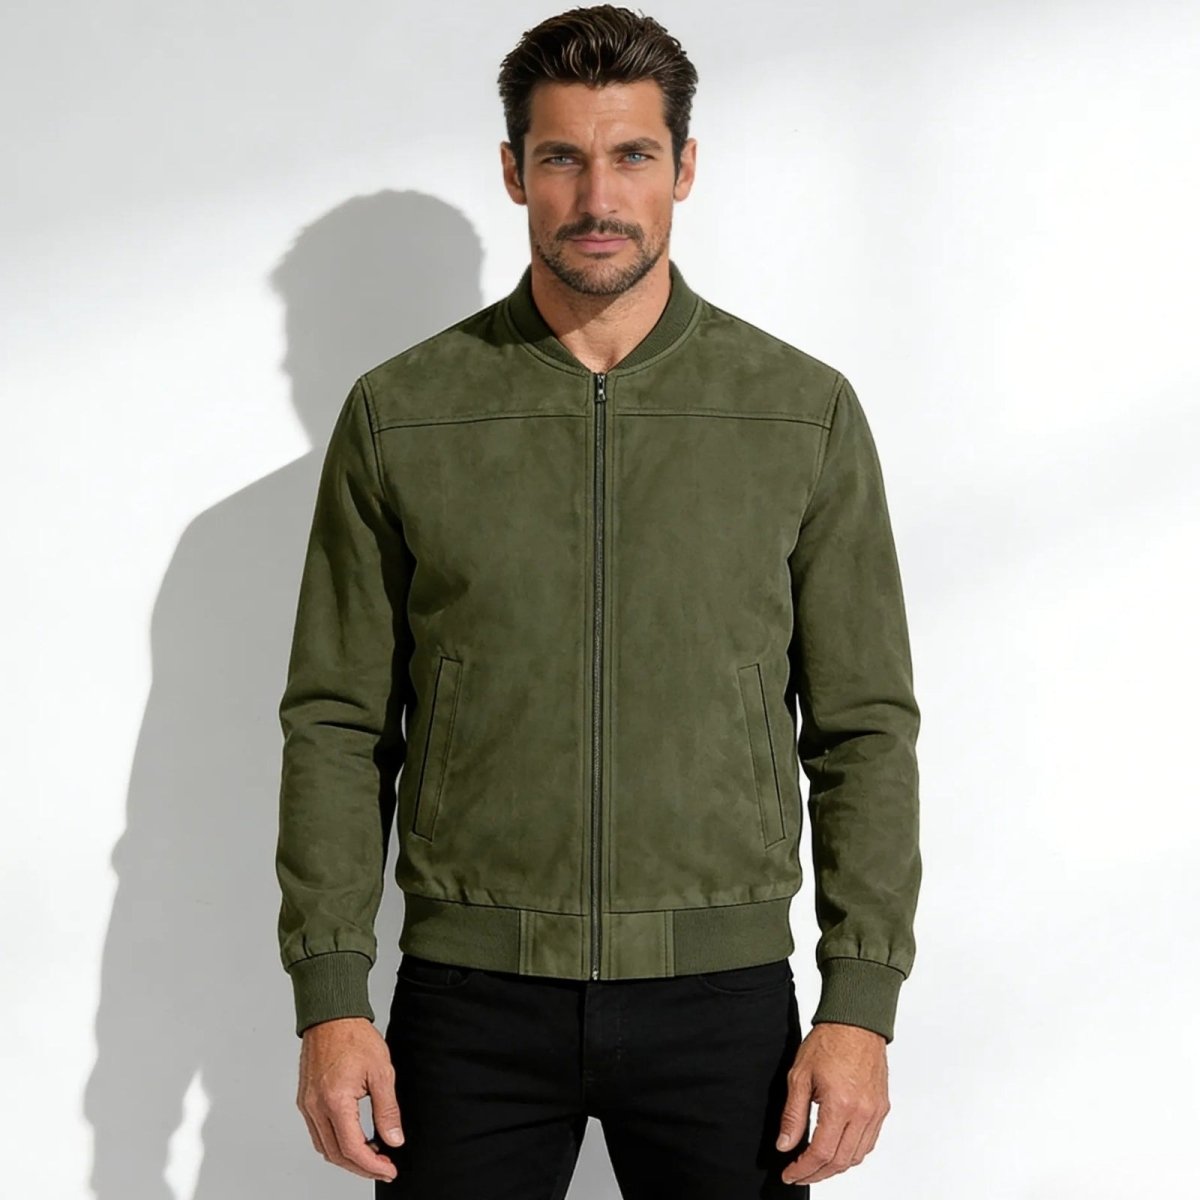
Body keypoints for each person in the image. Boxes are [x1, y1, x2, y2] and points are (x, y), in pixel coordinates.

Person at [274, 5, 921, 1197]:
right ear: (513, 170)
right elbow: (337, 724)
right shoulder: (403, 414)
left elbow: (862, 728)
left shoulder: (799, 412)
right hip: (469, 1003)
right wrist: (329, 994)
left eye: (632, 155)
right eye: (563, 157)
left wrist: (860, 1004)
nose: (598, 196)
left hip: (723, 1004)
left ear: (685, 166)